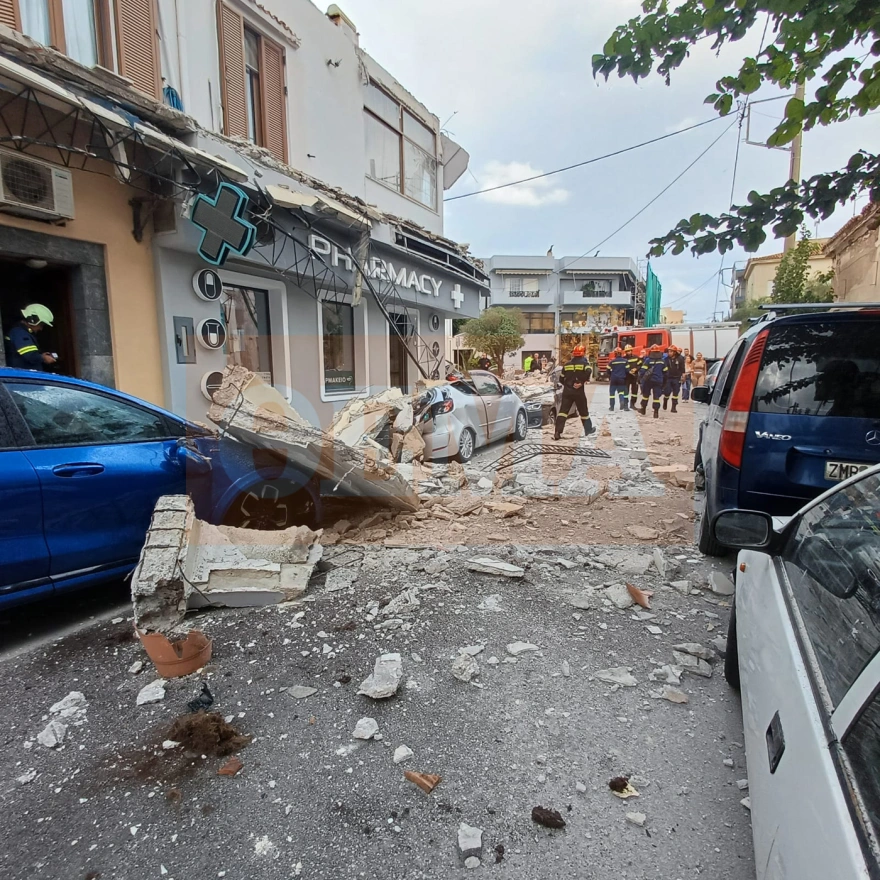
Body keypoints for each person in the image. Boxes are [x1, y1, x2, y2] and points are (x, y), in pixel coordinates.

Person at [553, 344, 595, 440]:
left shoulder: (567, 365)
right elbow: (589, 371)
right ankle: (588, 430)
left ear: (574, 354)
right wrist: (581, 382)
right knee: (583, 411)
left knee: (563, 412)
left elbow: (561, 378)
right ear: (583, 353)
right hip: (578, 392)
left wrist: (568, 385)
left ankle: (557, 432)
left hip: (567, 392)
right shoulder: (585, 364)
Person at [3, 304, 56, 370]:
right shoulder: (20, 333)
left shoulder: (21, 332)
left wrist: (42, 356)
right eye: (41, 325)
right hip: (22, 374)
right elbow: (30, 355)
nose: (41, 329)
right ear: (33, 320)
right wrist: (43, 358)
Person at [639, 344, 667, 419]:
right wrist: (664, 382)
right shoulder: (662, 361)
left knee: (645, 396)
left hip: (648, 381)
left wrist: (641, 379)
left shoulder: (648, 360)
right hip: (658, 381)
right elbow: (666, 372)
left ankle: (643, 409)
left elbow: (642, 371)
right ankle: (656, 412)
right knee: (656, 397)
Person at [663, 345, 686, 412]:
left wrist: (683, 376)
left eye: (671, 351)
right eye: (668, 351)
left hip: (677, 378)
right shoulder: (666, 359)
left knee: (675, 393)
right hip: (668, 378)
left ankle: (673, 407)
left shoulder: (680, 359)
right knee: (667, 392)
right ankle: (665, 400)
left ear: (675, 352)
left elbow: (682, 368)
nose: (669, 353)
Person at [607, 347, 629, 411]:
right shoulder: (625, 361)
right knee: (621, 392)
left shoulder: (612, 362)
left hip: (613, 379)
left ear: (615, 354)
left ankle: (612, 407)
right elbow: (627, 370)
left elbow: (608, 370)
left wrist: (611, 375)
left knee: (612, 393)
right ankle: (622, 401)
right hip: (621, 379)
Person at [624, 344, 641, 410]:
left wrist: (636, 369)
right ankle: (625, 404)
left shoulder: (636, 357)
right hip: (627, 377)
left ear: (631, 351)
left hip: (634, 377)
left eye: (629, 351)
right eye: (627, 351)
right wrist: (628, 371)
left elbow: (640, 365)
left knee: (634, 392)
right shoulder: (624, 358)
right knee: (626, 391)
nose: (628, 352)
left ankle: (632, 404)